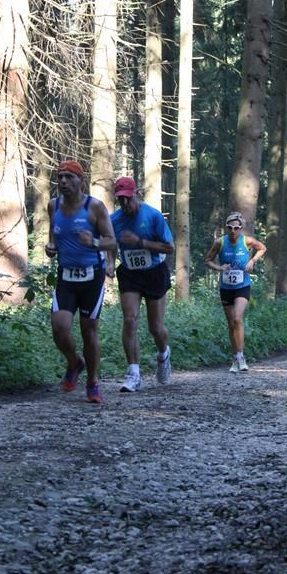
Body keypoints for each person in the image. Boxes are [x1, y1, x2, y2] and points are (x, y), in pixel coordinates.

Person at [45, 160, 116, 404]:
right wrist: (51, 247)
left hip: (91, 277)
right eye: (60, 177)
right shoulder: (53, 205)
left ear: (80, 180)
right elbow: (53, 234)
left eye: (69, 177)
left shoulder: (94, 207)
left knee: (89, 331)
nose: (63, 181)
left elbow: (111, 241)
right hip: (66, 276)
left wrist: (93, 242)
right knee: (59, 327)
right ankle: (75, 363)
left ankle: (93, 382)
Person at [107, 177, 174, 393]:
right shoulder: (114, 220)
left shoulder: (152, 216)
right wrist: (110, 263)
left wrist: (140, 242)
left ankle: (163, 354)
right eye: (120, 200)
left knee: (156, 328)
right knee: (130, 319)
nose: (125, 203)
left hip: (154, 272)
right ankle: (133, 374)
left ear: (136, 194)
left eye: (128, 198)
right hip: (130, 274)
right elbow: (111, 244)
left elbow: (169, 247)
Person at [204, 212, 266, 373]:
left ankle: (241, 357)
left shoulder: (247, 241)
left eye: (236, 228)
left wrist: (252, 261)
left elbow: (262, 248)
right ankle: (235, 357)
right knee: (231, 323)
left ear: (241, 228)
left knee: (238, 318)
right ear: (226, 228)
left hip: (242, 286)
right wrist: (219, 268)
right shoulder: (220, 242)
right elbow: (207, 260)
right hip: (226, 288)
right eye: (230, 227)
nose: (233, 230)